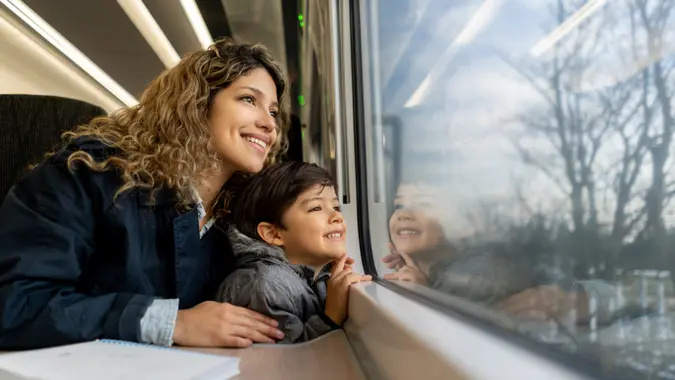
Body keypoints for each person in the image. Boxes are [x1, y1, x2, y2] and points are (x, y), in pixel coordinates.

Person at [0, 39, 290, 349]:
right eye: (248, 99)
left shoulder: (239, 219)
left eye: (273, 111)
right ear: (196, 104)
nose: (269, 124)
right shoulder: (91, 174)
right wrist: (172, 322)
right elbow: (15, 303)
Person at [216, 162, 371, 343]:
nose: (337, 216)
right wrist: (330, 317)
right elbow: (283, 364)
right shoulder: (264, 287)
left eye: (336, 207)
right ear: (273, 234)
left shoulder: (312, 277)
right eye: (316, 208)